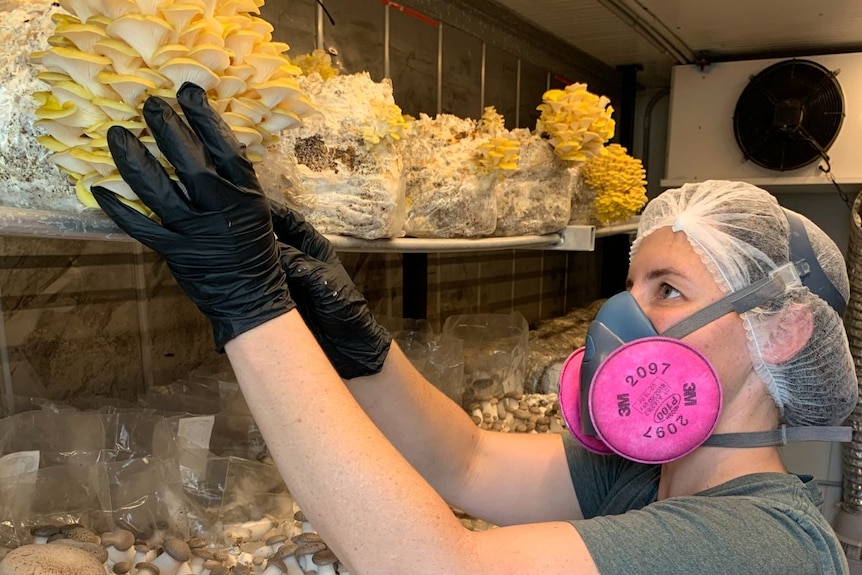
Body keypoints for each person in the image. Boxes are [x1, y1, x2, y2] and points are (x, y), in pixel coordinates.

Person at [91, 81, 859, 575]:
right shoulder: (640, 479)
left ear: (782, 330)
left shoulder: (764, 543)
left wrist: (252, 310)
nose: (622, 320)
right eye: (630, 284)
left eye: (667, 290)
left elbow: (432, 565)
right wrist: (358, 345)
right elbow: (465, 458)